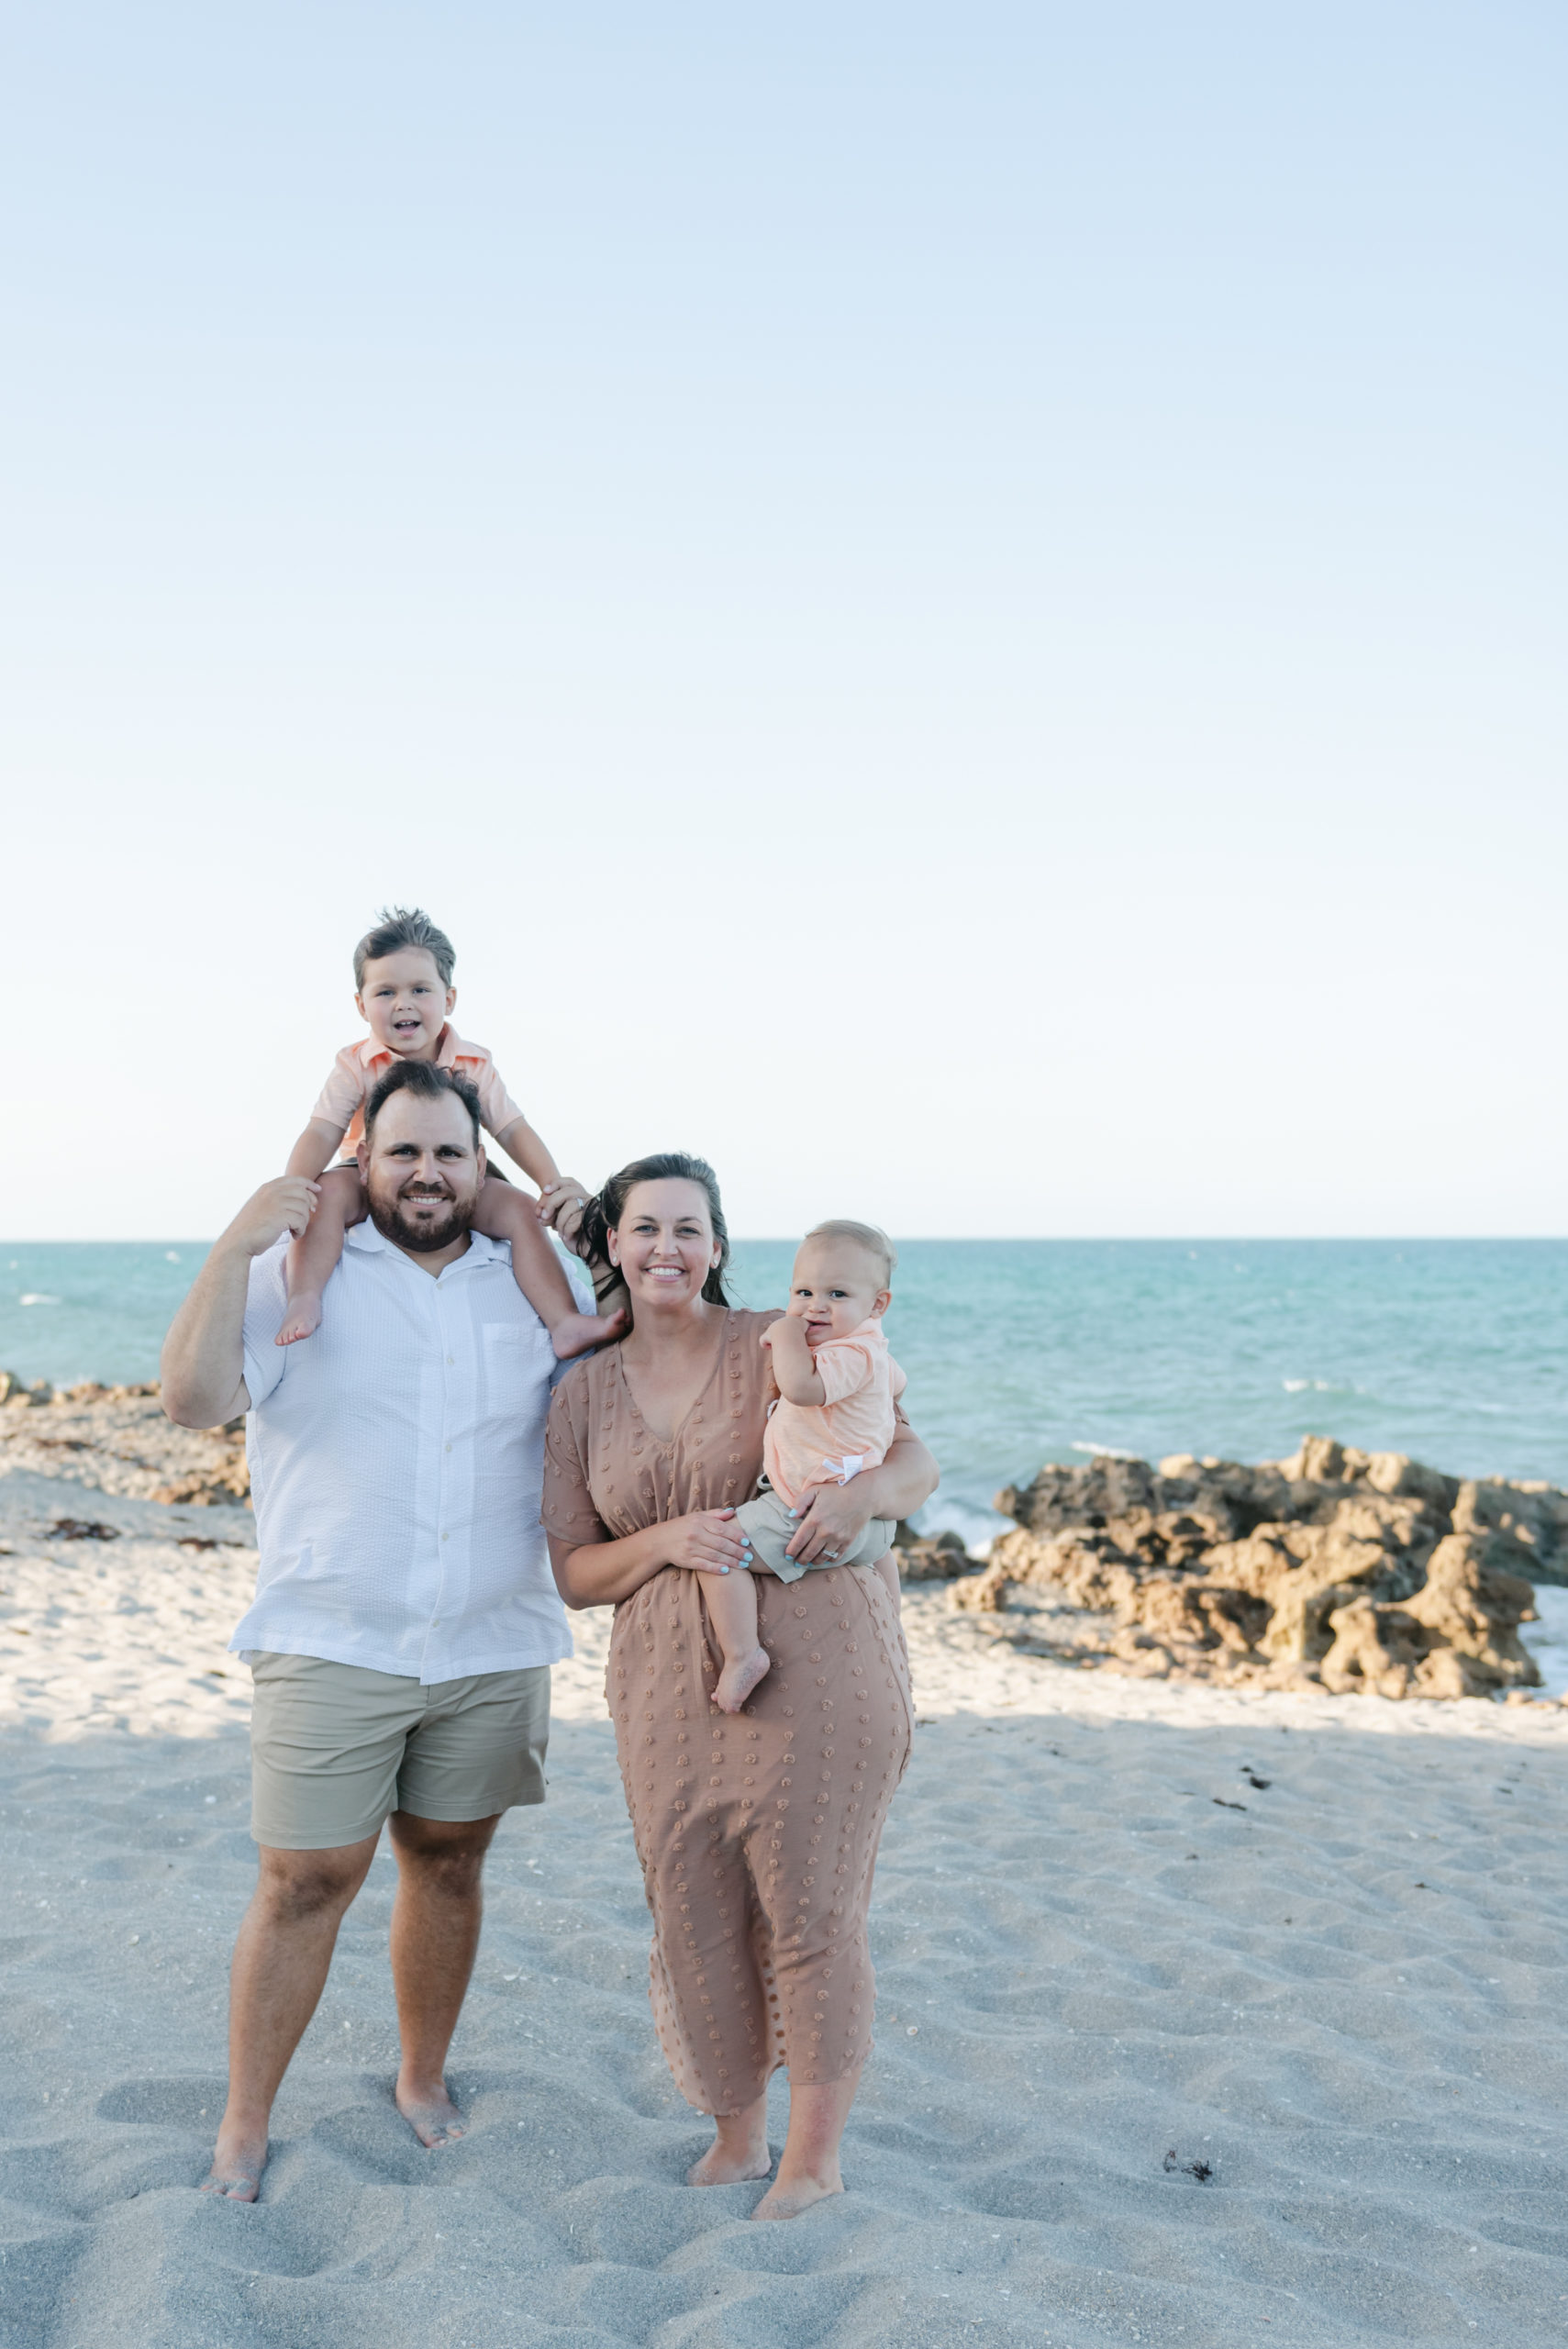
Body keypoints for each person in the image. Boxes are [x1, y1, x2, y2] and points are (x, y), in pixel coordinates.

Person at [161, 1059, 585, 2202]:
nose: (428, 1172)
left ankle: (421, 2076)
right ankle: (245, 2124)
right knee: (303, 1881)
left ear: (478, 1162)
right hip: (329, 1632)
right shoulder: (295, 1270)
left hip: (492, 1641)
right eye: (404, 1151)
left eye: (450, 1151)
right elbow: (193, 1399)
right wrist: (230, 1242)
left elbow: (654, 1369)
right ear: (365, 1156)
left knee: (447, 1864)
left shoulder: (527, 1275)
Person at [542, 1153, 938, 2219]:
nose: (665, 1246)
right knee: (692, 1906)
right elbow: (572, 1573)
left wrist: (862, 1500)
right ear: (612, 1247)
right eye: (643, 1227)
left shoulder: (785, 1336)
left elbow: (912, 1463)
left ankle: (813, 2158)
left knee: (811, 1907)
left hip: (818, 1649)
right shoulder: (579, 1390)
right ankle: (736, 2133)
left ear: (717, 1247)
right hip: (666, 1683)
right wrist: (669, 1536)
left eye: (688, 1227)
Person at [274, 905, 614, 1359]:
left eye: (420, 989)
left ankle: (564, 1321)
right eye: (385, 992)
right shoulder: (355, 1063)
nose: (403, 1003)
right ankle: (305, 1297)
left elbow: (513, 1130)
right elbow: (322, 1130)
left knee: (518, 1209)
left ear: (448, 999)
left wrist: (551, 1187)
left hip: (455, 1174)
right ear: (361, 1005)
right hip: (368, 1171)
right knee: (326, 1198)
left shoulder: (473, 1062)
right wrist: (294, 1188)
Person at [705, 1220, 905, 1712]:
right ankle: (894, 1629)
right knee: (881, 1560)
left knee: (716, 1553)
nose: (816, 1306)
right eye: (803, 1291)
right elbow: (897, 1384)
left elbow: (800, 1387)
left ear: (877, 1305)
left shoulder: (847, 1352)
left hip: (809, 1509)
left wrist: (784, 1332)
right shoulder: (872, 1351)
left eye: (837, 1294)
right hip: (873, 1527)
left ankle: (742, 1654)